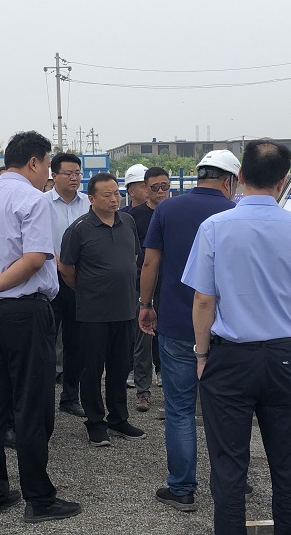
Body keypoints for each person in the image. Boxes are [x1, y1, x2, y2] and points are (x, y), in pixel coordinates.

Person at [182, 140, 291, 535]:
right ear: (283, 180)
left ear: (241, 175)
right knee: (287, 465)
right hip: (282, 356)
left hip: (229, 358)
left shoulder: (215, 227)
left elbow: (203, 299)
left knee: (229, 467)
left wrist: (201, 354)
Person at [0, 131, 81, 523]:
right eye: (46, 166)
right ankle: (39, 498)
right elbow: (35, 258)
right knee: (32, 404)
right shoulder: (32, 199)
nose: (47, 175)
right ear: (34, 162)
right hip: (24, 310)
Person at [138, 150, 240, 511]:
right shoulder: (235, 212)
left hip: (178, 324)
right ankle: (232, 484)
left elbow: (150, 262)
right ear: (229, 180)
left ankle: (182, 488)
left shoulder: (168, 209)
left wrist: (145, 304)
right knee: (227, 410)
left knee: (180, 409)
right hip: (227, 329)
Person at [60, 172, 146, 447]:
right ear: (92, 198)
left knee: (119, 369)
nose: (114, 199)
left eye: (116, 193)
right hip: (93, 313)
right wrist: (87, 290)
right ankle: (96, 422)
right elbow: (66, 268)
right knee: (92, 369)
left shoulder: (127, 222)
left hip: (125, 309)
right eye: (107, 195)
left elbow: (133, 257)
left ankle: (118, 418)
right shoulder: (79, 229)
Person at [45, 152, 90, 418]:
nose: (74, 178)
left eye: (77, 173)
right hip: (49, 279)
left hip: (78, 281)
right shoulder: (41, 203)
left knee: (76, 342)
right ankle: (42, 397)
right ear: (54, 175)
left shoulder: (88, 203)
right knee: (46, 341)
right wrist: (59, 263)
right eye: (68, 173)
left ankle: (70, 396)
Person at [127, 167, 170, 412]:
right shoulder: (133, 217)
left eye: (165, 186)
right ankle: (143, 391)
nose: (161, 191)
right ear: (145, 188)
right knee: (142, 340)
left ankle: (170, 385)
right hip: (142, 285)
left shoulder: (174, 212)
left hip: (170, 284)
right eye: (155, 187)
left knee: (170, 338)